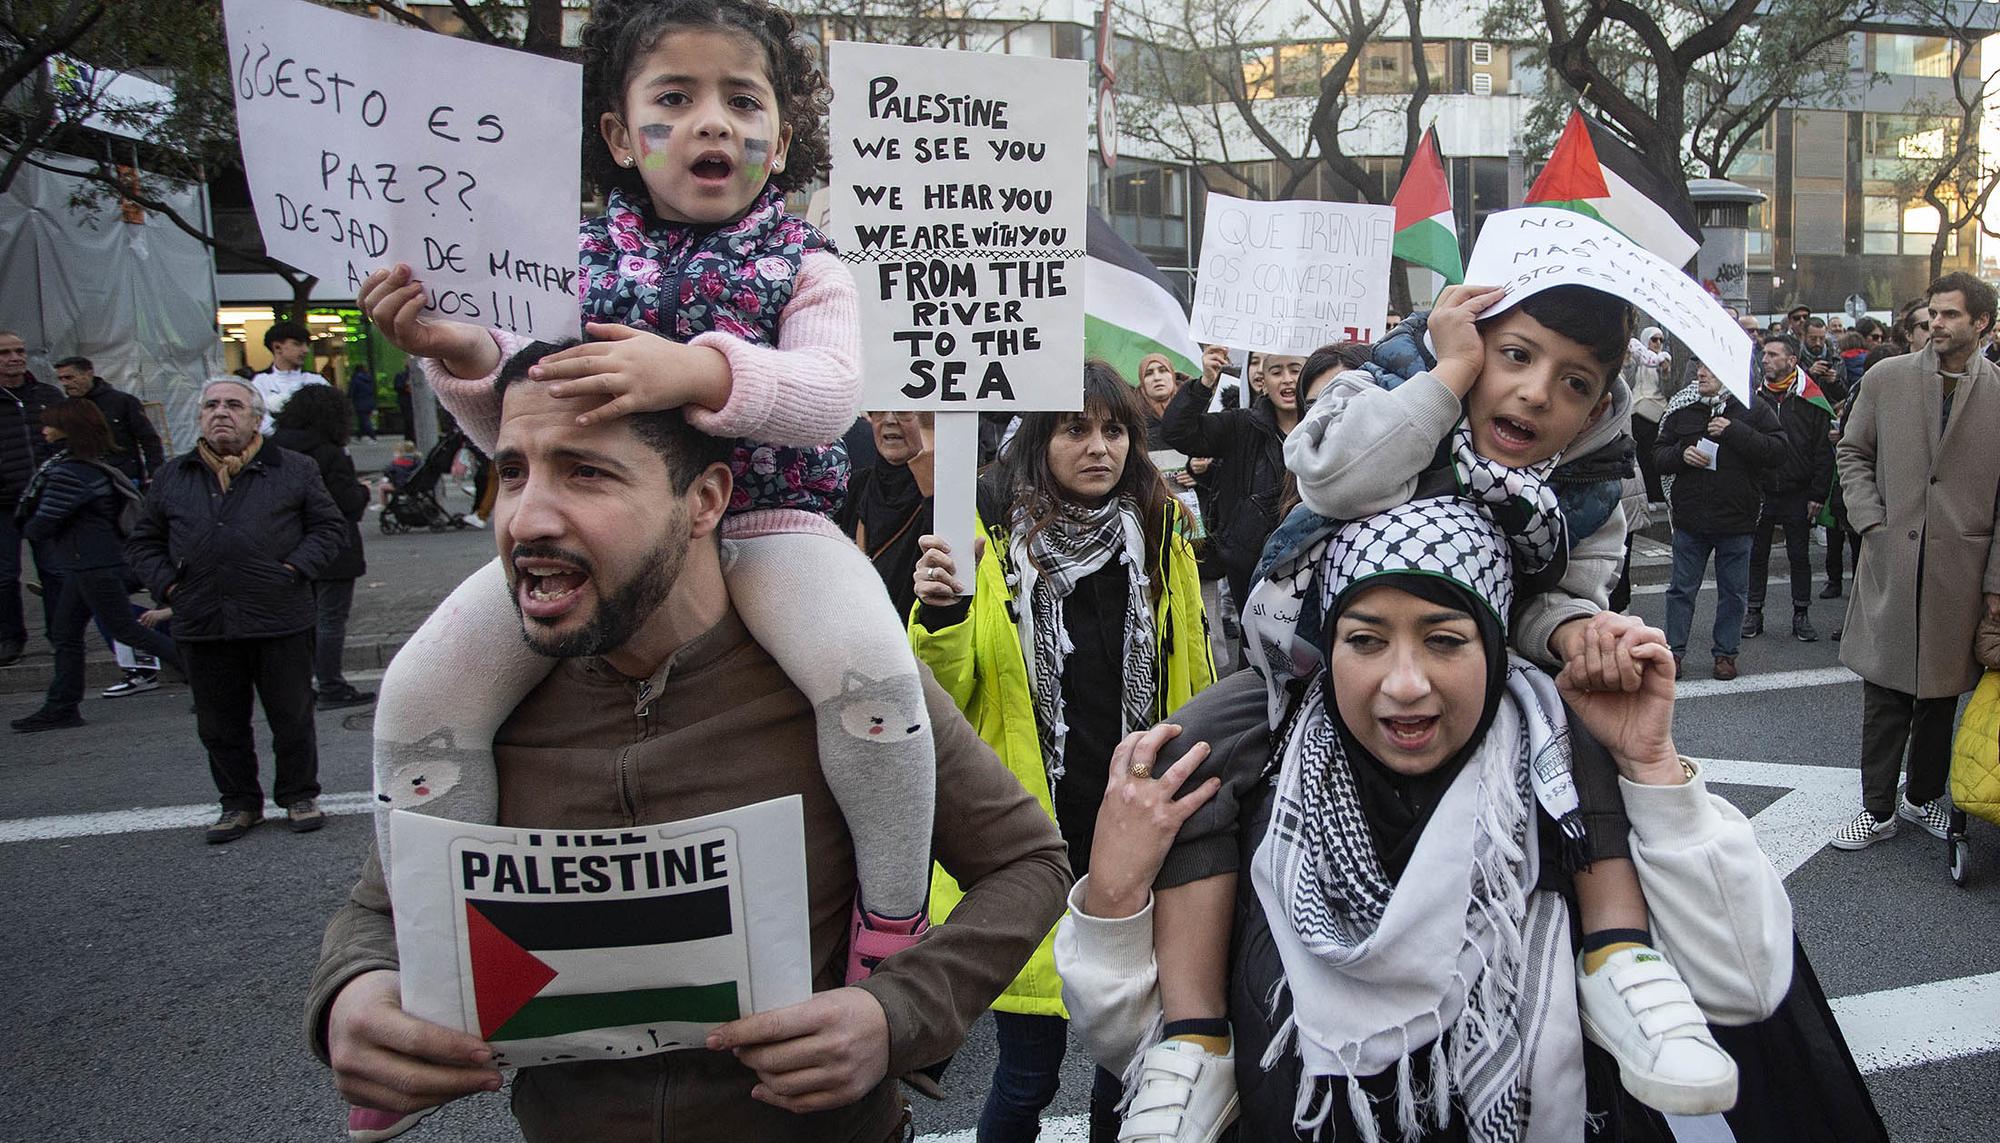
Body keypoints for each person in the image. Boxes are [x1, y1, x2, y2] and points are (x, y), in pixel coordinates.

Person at [312, 343, 1070, 1143]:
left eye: (585, 473)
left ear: (705, 498)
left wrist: (893, 1013)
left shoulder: (846, 686)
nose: (526, 517)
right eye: (513, 472)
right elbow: (384, 904)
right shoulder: (480, 705)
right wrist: (352, 993)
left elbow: (1028, 862)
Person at [355, 0, 936, 1008]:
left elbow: (828, 396)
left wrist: (697, 374)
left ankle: (890, 921)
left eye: (740, 100)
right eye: (675, 98)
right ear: (620, 135)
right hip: (606, 550)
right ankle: (437, 971)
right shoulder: (558, 266)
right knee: (418, 700)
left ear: (782, 138)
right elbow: (520, 432)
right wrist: (464, 361)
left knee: (876, 685)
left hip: (774, 530)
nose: (712, 121)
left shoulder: (809, 266)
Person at [1139, 284, 1728, 1139]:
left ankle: (1619, 955)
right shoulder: (1387, 382)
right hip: (1303, 654)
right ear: (1467, 335)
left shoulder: (1592, 486)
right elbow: (1336, 474)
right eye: (1515, 356)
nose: (1533, 393)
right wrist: (1444, 375)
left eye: (1573, 383)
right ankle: (1194, 1040)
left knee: (1583, 737)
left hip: (1489, 675)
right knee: (1186, 762)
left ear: (1603, 402)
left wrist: (1576, 635)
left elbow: (1561, 595)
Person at [1055, 498, 1794, 1142]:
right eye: (1365, 640)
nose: (1404, 684)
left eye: (1445, 640)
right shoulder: (1248, 794)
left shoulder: (1568, 793)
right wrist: (1116, 891)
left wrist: (1655, 769)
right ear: (1326, 651)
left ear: (1496, 648)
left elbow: (1742, 984)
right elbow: (1133, 1048)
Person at [907, 362, 1215, 1142]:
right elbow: (944, 688)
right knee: (1027, 1074)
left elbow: (1194, 664)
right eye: (1076, 428)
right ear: (1040, 439)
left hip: (1130, 825)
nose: (1098, 446)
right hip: (1031, 833)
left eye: (1114, 429)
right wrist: (940, 613)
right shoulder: (988, 536)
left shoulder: (1161, 527)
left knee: (1126, 1061)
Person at [125, 378, 346, 843]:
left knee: (291, 716)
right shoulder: (173, 475)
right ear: (199, 416)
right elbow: (144, 541)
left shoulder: (293, 468)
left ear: (256, 418)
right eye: (211, 405)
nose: (220, 412)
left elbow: (328, 529)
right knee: (219, 723)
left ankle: (298, 795)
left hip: (279, 614)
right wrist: (168, 585)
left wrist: (293, 569)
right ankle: (238, 803)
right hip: (202, 618)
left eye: (233, 405)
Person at [1831, 271, 2000, 850]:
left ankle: (1922, 796)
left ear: (1981, 323)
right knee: (1884, 694)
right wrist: (1869, 519)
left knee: (1939, 699)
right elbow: (1852, 451)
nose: (1936, 324)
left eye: (1951, 315)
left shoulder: (1999, 392)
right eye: (1933, 313)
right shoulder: (1887, 377)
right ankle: (1875, 809)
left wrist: (1996, 580)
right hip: (1892, 557)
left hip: (1963, 569)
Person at [10, 399, 182, 732]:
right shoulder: (88, 465)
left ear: (67, 430)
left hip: (90, 563)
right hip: (88, 562)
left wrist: (28, 523)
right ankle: (61, 706)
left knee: (124, 629)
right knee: (67, 635)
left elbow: (41, 524)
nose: (43, 429)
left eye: (49, 424)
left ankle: (211, 677)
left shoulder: (69, 472)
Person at [1653, 362, 1787, 680]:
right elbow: (1657, 455)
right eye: (1698, 368)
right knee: (1681, 590)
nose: (1700, 374)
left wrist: (1734, 430)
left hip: (1736, 518)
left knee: (1733, 592)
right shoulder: (1681, 406)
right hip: (1690, 518)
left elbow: (1778, 451)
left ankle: (1725, 655)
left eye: (1709, 370)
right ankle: (1673, 654)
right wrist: (1681, 454)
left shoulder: (1753, 407)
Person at [1162, 350, 1304, 642]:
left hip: (1307, 558)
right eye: (1277, 372)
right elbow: (1178, 431)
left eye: (1295, 370)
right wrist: (1204, 384)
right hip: (1249, 563)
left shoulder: (1326, 425)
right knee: (1257, 650)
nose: (1287, 380)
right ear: (1261, 382)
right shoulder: (1241, 425)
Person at [270, 383, 376, 709]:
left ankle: (300, 685)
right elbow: (347, 502)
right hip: (333, 546)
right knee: (330, 619)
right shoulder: (329, 453)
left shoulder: (273, 450)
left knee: (301, 620)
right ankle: (330, 684)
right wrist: (364, 492)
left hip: (289, 544)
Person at [1744, 334, 1835, 643]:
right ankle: (1754, 611)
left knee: (1799, 556)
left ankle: (1801, 614)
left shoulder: (1810, 398)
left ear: (1792, 361)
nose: (1765, 359)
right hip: (1762, 491)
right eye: (1764, 354)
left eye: (1772, 354)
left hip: (1799, 491)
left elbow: (1824, 451)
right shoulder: (1754, 397)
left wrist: (1818, 494)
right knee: (1756, 555)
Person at [0, 330, 62, 667]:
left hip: (45, 498)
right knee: (4, 574)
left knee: (54, 569)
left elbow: (66, 439)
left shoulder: (47, 395)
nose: (15, 358)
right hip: (3, 503)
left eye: (19, 351)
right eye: (6, 352)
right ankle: (9, 638)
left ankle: (60, 633)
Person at [838, 410, 933, 619]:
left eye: (904, 410)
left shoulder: (945, 498)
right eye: (880, 410)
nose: (890, 420)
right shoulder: (854, 486)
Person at [53, 356, 164, 487]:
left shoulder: (123, 402)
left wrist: (156, 475)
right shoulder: (65, 409)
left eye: (70, 377)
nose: (65, 383)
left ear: (89, 374)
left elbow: (149, 440)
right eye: (61, 379)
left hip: (123, 479)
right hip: (85, 481)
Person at [253, 320, 329, 434]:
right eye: (297, 344)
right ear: (277, 347)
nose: (305, 350)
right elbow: (258, 420)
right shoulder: (260, 382)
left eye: (307, 345)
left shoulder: (316, 381)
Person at [1624, 327, 1672, 505]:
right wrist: (1628, 360)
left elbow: (1668, 390)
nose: (1658, 344)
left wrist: (1665, 373)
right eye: (1654, 340)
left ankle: (1657, 493)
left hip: (1657, 411)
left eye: (1660, 340)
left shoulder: (1663, 359)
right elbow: (1628, 384)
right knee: (1641, 456)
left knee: (1654, 454)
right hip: (1637, 411)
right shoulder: (1636, 357)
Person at [1134, 352, 1179, 442]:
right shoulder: (1132, 414)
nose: (1157, 378)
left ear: (1172, 375)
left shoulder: (1194, 403)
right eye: (1149, 373)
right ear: (1142, 381)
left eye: (1162, 370)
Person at [349, 363, 378, 440]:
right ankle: (359, 435)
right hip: (369, 402)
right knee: (363, 419)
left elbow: (352, 392)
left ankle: (372, 435)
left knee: (364, 420)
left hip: (360, 402)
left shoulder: (355, 380)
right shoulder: (369, 379)